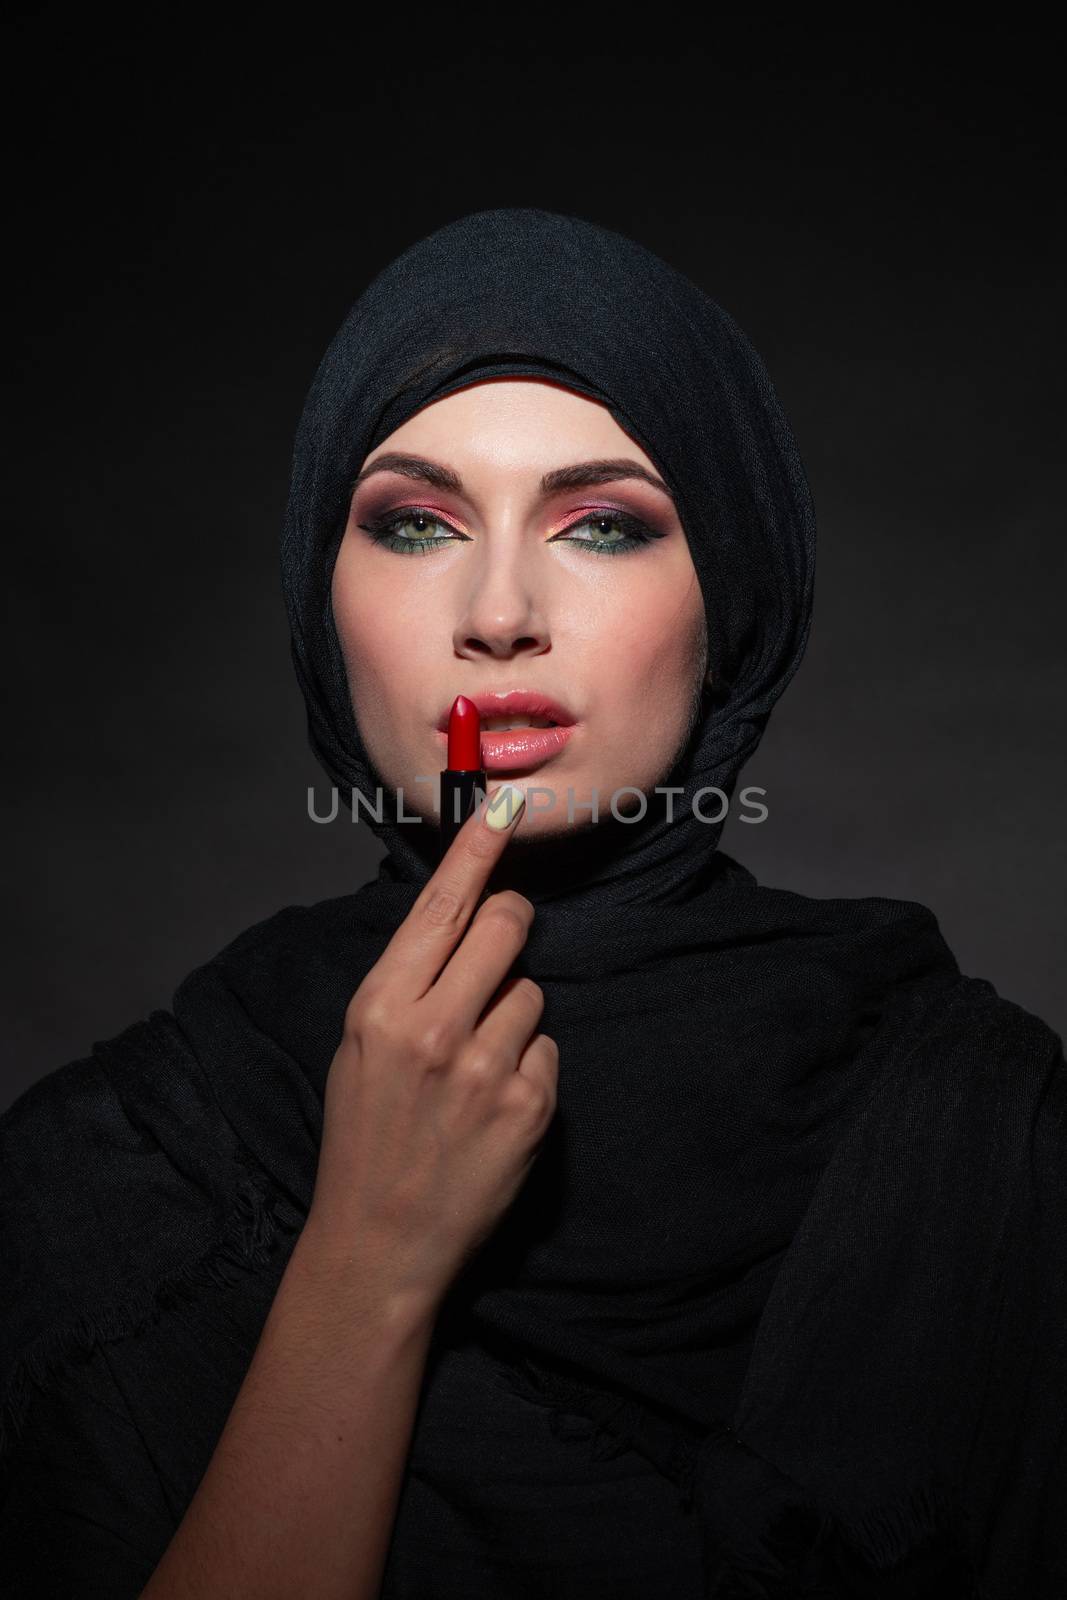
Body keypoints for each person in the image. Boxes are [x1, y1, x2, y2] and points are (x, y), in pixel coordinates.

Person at [1, 206, 1064, 1599]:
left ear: (734, 594)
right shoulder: (93, 1180)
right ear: (321, 603)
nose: (500, 611)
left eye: (606, 525)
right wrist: (364, 1268)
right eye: (419, 522)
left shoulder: (994, 1141)